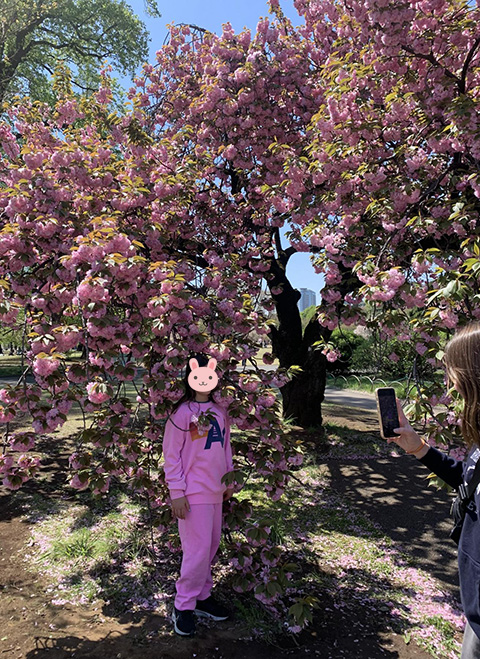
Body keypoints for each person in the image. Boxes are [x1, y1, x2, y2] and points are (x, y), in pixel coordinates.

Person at [390, 323, 480, 659]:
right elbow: (467, 480)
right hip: (474, 609)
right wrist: (420, 449)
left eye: (453, 371)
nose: (449, 383)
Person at [163, 353, 234, 637]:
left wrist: (228, 479)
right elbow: (171, 455)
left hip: (216, 490)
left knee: (211, 545)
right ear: (190, 377)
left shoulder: (220, 412)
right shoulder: (181, 415)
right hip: (193, 494)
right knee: (196, 551)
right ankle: (183, 606)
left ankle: (202, 597)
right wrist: (176, 492)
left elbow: (226, 447)